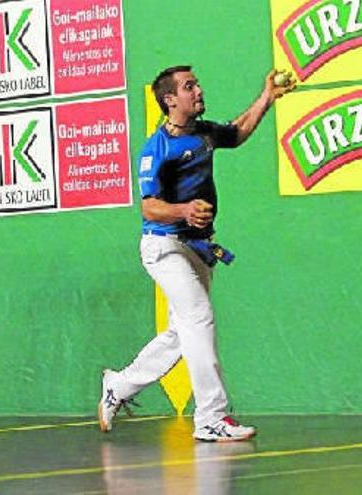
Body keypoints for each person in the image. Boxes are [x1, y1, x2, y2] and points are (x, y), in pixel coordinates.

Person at [99, 66, 295, 441]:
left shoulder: (204, 133)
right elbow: (149, 207)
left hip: (198, 247)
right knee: (199, 317)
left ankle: (118, 386)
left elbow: (236, 133)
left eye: (197, 84)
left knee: (183, 331)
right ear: (170, 100)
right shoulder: (157, 149)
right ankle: (211, 417)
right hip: (164, 246)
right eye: (189, 86)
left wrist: (267, 96)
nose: (199, 90)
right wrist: (183, 210)